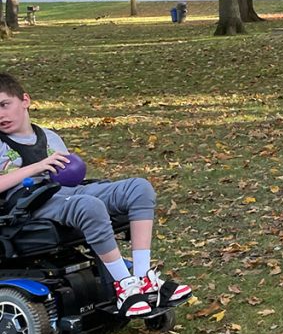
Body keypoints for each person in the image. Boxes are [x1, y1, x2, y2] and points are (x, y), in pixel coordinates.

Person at [0, 73, 192, 317]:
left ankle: (143, 279)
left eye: (4, 105)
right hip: (30, 205)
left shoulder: (50, 137)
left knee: (139, 188)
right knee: (88, 205)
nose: (1, 115)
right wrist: (37, 167)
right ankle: (125, 286)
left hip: (66, 192)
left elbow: (68, 178)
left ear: (24, 100)